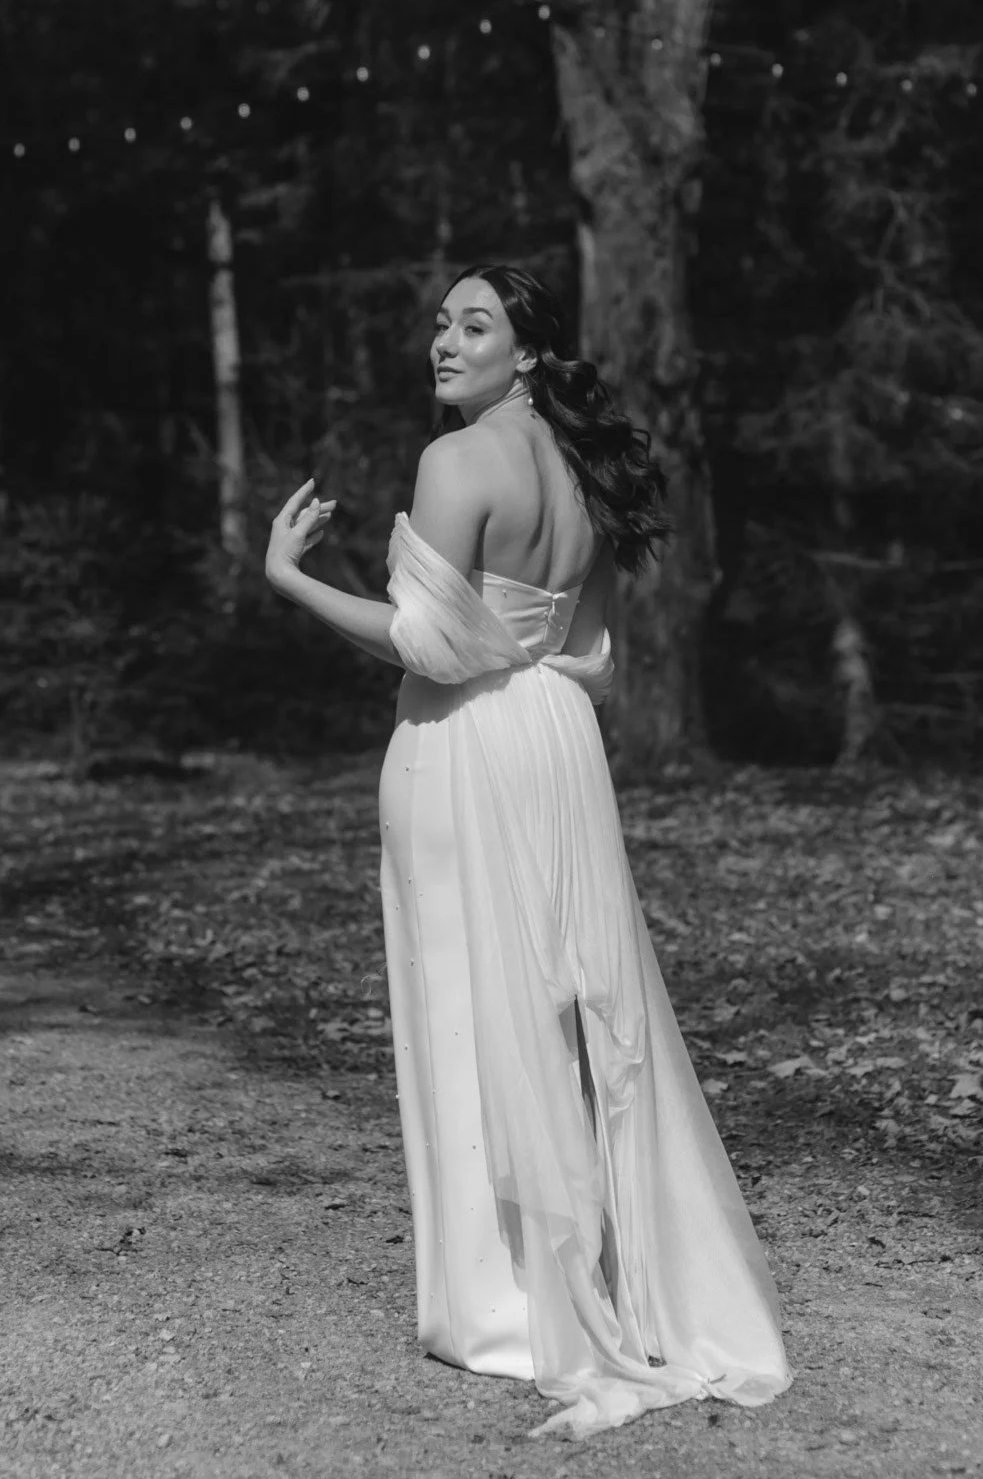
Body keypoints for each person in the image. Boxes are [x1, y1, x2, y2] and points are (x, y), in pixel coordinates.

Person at [265, 265, 792, 1438]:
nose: (441, 341)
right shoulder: (592, 469)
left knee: (469, 1002)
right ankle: (622, 1278)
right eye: (439, 322)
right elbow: (592, 652)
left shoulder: (456, 464)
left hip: (462, 744)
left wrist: (289, 578)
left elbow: (426, 646)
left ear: (529, 351)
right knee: (573, 1001)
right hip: (556, 732)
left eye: (472, 324)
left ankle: (506, 1298)